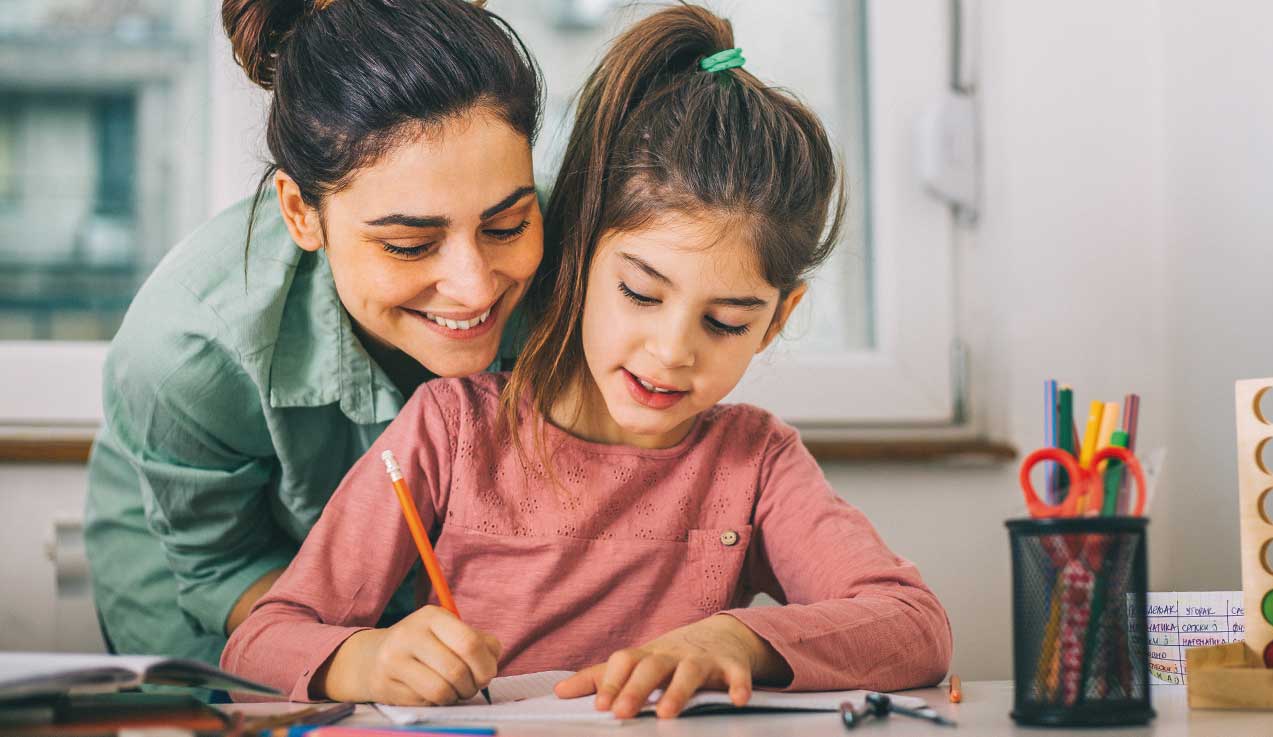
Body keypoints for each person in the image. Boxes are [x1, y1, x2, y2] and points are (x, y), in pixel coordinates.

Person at [222, 5, 952, 718]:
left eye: (726, 321)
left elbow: (914, 625)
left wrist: (736, 638)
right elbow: (259, 639)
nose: (672, 351)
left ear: (776, 321)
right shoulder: (452, 430)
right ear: (576, 255)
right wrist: (364, 659)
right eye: (639, 292)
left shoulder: (754, 462)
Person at [84, 0, 544, 666]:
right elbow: (222, 567)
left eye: (506, 226)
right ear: (303, 213)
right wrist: (356, 656)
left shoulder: (592, 264)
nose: (474, 286)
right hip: (218, 576)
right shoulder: (187, 349)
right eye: (410, 244)